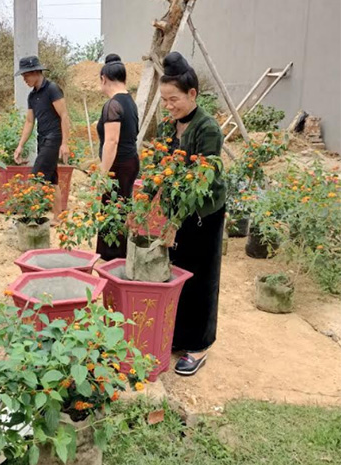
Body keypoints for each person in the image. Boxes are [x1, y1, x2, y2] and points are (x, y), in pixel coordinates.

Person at [157, 51, 227, 376]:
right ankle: (179, 335)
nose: (169, 106)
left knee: (201, 276)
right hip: (178, 213)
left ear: (192, 94)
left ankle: (198, 345)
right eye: (164, 100)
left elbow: (199, 180)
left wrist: (173, 222)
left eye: (174, 100)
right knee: (178, 273)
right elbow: (161, 170)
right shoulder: (167, 128)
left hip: (204, 213)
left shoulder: (208, 129)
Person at [14, 55, 71, 223]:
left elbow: (64, 115)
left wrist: (65, 143)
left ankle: (29, 219)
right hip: (42, 138)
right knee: (52, 180)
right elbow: (29, 121)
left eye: (26, 75)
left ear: (36, 72)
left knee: (36, 178)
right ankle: (58, 218)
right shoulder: (32, 96)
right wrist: (20, 145)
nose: (24, 79)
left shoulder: (52, 89)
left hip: (54, 138)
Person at [96, 54, 139, 260]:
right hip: (130, 162)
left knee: (112, 211)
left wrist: (103, 175)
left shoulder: (112, 105)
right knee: (122, 209)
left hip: (118, 166)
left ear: (104, 78)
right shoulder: (130, 101)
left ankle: (112, 259)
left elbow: (111, 142)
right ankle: (121, 255)